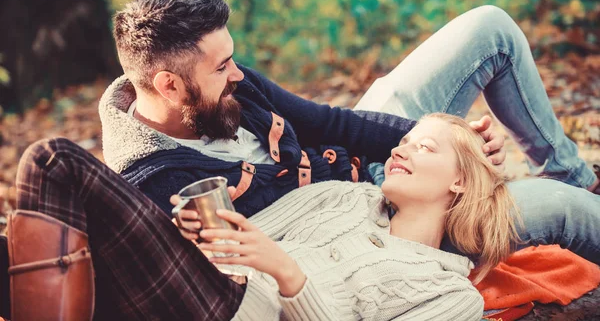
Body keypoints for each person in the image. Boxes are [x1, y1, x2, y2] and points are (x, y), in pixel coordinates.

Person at [100, 0, 600, 264]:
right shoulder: (164, 186)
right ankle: (578, 198)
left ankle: (572, 171)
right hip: (388, 225)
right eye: (222, 67)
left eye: (233, 59)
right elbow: (292, 262)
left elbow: (330, 122)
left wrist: (444, 138)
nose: (238, 73)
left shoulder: (225, 83)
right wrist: (435, 173)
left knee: (489, 29)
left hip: (382, 168)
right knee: (567, 212)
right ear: (168, 85)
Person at [13, 113, 518, 320]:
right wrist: (199, 235)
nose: (403, 150)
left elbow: (271, 262)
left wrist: (289, 276)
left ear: (460, 181)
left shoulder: (452, 297)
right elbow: (240, 242)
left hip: (235, 310)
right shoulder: (341, 196)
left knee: (54, 161)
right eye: (404, 141)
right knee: (48, 169)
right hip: (197, 289)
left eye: (423, 146)